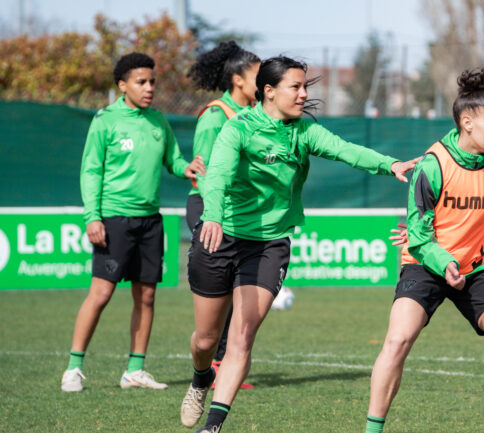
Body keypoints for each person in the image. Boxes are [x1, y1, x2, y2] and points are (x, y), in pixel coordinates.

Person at [180, 55, 418, 432]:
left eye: (306, 86)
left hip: (269, 244)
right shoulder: (238, 128)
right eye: (296, 86)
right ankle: (199, 378)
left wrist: (390, 165)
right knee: (206, 338)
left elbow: (346, 150)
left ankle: (213, 426)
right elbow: (219, 173)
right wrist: (213, 214)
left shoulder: (304, 132)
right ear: (269, 91)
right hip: (221, 236)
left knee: (241, 336)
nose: (304, 94)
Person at [365, 68, 484, 433]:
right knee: (397, 340)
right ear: (467, 122)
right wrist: (444, 259)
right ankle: (372, 430)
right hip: (425, 262)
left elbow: (471, 219)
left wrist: (462, 258)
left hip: (477, 264)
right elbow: (420, 238)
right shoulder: (432, 165)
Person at [61, 52, 205, 392]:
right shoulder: (105, 121)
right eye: (141, 82)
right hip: (113, 219)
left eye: (152, 81)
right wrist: (92, 217)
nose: (149, 87)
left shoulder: (159, 121)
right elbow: (91, 170)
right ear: (122, 85)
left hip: (150, 221)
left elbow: (172, 158)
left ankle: (134, 371)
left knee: (147, 296)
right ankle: (73, 368)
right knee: (101, 293)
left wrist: (186, 167)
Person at [185, 40, 261, 391]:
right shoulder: (217, 115)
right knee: (225, 289)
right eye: (258, 76)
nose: (264, 83)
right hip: (209, 208)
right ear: (238, 80)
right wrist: (213, 214)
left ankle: (222, 361)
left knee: (240, 289)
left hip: (239, 210)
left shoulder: (257, 115)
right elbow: (204, 171)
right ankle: (212, 361)